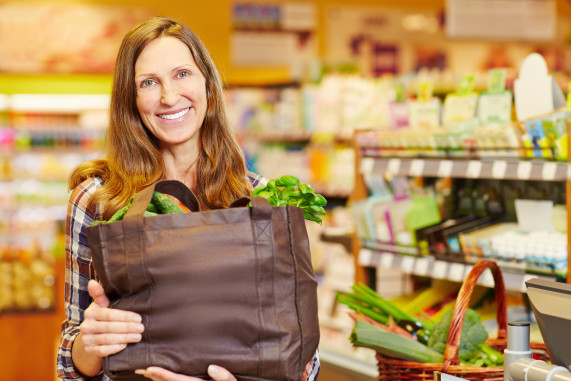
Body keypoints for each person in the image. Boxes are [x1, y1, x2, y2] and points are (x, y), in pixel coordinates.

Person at [56, 16, 320, 381]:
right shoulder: (98, 199)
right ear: (130, 100)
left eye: (182, 74)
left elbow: (306, 358)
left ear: (208, 84)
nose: (168, 96)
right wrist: (91, 341)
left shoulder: (260, 198)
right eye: (149, 82)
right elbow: (69, 368)